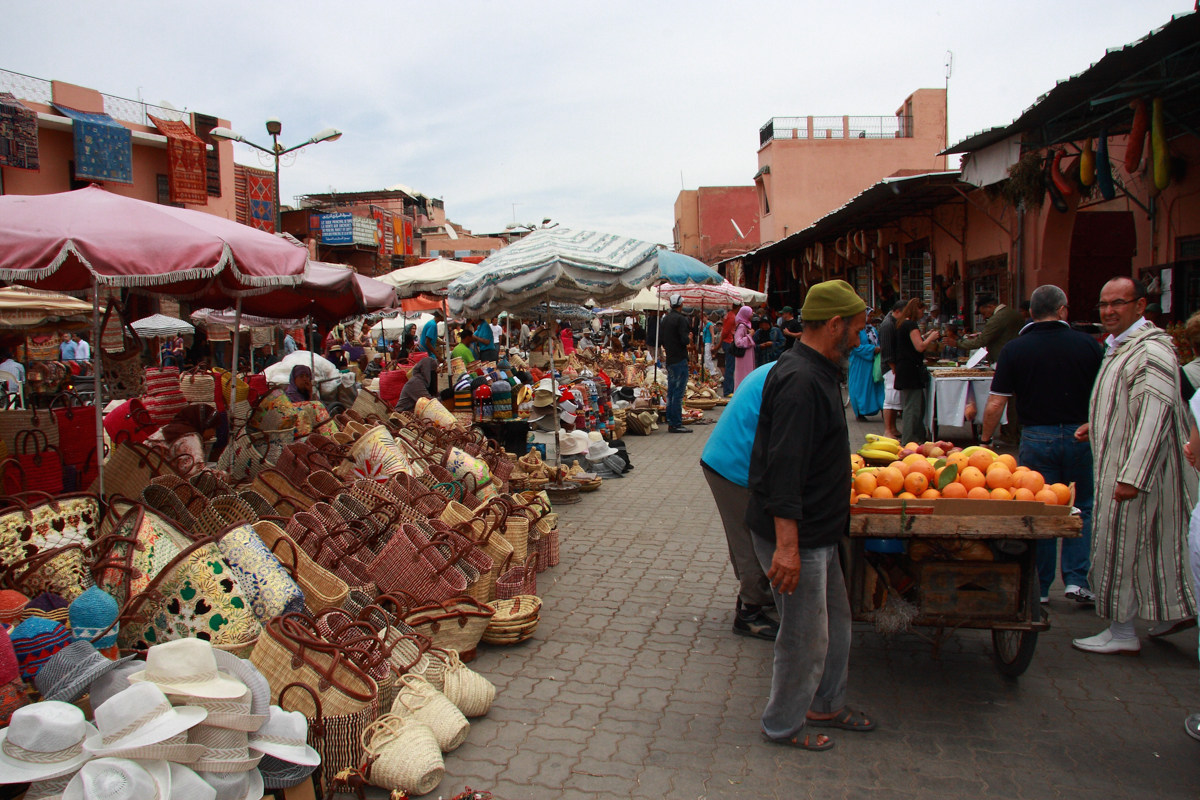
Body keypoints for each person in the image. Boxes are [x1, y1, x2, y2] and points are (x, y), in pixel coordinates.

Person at [747, 279, 873, 751]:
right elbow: (784, 471)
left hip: (818, 530)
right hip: (797, 535)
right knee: (803, 637)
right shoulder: (801, 379)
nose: (860, 339)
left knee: (836, 622)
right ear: (835, 324)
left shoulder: (818, 369)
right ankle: (782, 725)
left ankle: (826, 702)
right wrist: (788, 546)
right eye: (857, 329)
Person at [1072, 276, 1197, 655]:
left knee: (1121, 547)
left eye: (1118, 303)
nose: (1109, 311)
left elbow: (1156, 415)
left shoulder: (1151, 352)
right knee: (1157, 549)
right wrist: (1099, 422)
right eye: (1104, 304)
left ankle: (1122, 631)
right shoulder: (1123, 347)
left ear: (1140, 306)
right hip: (1126, 467)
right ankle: (1174, 612)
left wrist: (1133, 478)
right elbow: (1131, 401)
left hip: (1140, 474)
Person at [980, 285, 1103, 605]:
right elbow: (1106, 394)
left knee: (1041, 508)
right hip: (1082, 435)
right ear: (1063, 310)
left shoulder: (1016, 348)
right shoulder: (1089, 345)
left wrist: (984, 441)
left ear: (1031, 313)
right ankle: (1077, 580)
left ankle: (1042, 586)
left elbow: (996, 404)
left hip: (1036, 437)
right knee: (1083, 507)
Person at [701, 360, 781, 641]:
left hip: (731, 457)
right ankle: (749, 612)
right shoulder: (793, 376)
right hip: (733, 463)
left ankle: (755, 597)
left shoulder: (782, 367)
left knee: (750, 535)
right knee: (749, 538)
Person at [894, 299, 938, 445]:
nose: (922, 314)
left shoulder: (901, 324)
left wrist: (924, 336)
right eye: (921, 311)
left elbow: (911, 343)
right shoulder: (911, 324)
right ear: (916, 309)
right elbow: (919, 347)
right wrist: (931, 338)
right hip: (911, 369)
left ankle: (918, 436)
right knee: (912, 407)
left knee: (916, 404)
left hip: (904, 368)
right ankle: (908, 440)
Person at [145, 404, 222, 477]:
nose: (214, 434)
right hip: (164, 483)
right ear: (204, 426)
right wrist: (221, 476)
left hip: (143, 479)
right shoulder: (189, 439)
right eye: (213, 428)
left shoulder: (163, 431)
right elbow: (196, 474)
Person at [660, 294, 692, 434]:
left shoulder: (665, 319)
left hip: (670, 359)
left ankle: (671, 421)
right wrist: (689, 338)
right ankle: (676, 423)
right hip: (679, 359)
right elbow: (684, 340)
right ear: (681, 305)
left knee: (671, 393)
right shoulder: (680, 319)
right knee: (678, 394)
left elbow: (661, 339)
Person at [960, 295, 1023, 364]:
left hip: (1003, 358)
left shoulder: (997, 319)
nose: (984, 317)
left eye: (983, 313)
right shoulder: (1013, 312)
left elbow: (982, 340)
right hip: (1016, 355)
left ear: (990, 307)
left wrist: (958, 343)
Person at [878, 301, 905, 440]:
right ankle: (888, 430)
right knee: (890, 399)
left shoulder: (892, 323)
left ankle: (892, 428)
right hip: (890, 367)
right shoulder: (888, 325)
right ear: (898, 311)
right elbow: (887, 350)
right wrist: (894, 368)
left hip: (893, 366)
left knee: (894, 399)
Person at [848, 318, 883, 421]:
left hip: (873, 361)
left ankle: (882, 409)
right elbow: (854, 347)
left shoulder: (871, 329)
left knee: (877, 385)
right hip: (859, 363)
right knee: (859, 386)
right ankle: (859, 412)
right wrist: (872, 349)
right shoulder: (853, 330)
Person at [719, 307, 737, 397]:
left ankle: (730, 389)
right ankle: (728, 390)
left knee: (730, 367)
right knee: (730, 368)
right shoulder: (731, 316)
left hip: (727, 342)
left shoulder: (729, 315)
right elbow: (725, 331)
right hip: (729, 342)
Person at [702, 313, 719, 378]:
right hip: (705, 341)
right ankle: (708, 370)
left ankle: (712, 372)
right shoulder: (704, 324)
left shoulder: (709, 324)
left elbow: (712, 334)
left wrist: (712, 344)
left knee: (708, 357)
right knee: (706, 357)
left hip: (708, 341)